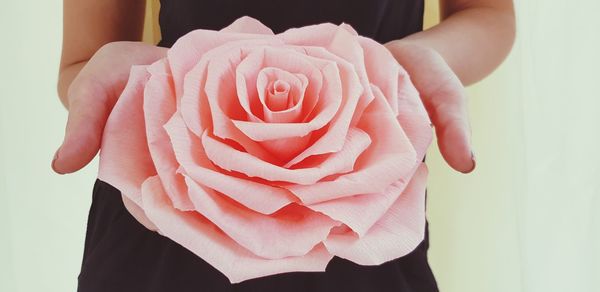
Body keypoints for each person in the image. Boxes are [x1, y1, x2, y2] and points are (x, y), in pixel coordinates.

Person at [54, 0, 515, 291]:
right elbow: (84, 60)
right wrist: (127, 80)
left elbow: (489, 13)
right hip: (169, 210)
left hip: (357, 215)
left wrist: (405, 66)